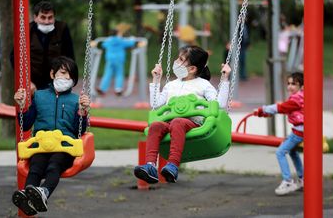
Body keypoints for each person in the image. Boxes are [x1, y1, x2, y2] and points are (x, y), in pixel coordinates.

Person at [133, 45, 231, 184]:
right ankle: (150, 167)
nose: (176, 62)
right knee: (155, 126)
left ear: (192, 69)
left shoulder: (203, 84)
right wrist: (156, 80)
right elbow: (155, 104)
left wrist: (225, 79)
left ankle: (172, 165)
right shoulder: (171, 85)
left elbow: (219, 104)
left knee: (178, 122)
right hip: (170, 122)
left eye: (181, 60)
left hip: (192, 123)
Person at [11, 56, 90, 216]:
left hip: (64, 147)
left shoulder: (76, 101)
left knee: (54, 166)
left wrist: (82, 112)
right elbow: (26, 124)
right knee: (35, 168)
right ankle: (28, 197)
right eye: (63, 73)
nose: (67, 78)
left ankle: (44, 192)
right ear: (52, 74)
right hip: (41, 144)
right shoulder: (39, 96)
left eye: (71, 76)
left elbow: (79, 131)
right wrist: (21, 107)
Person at [254, 72, 304, 196]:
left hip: (299, 132)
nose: (290, 86)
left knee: (280, 152)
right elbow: (284, 109)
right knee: (292, 151)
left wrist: (263, 109)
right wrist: (268, 112)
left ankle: (287, 181)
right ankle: (302, 179)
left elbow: (281, 108)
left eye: (294, 84)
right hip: (300, 130)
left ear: (302, 86)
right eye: (288, 83)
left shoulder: (297, 99)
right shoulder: (300, 97)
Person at [11, 1, 75, 92]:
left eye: (50, 18)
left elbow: (69, 57)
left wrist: (66, 80)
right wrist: (27, 82)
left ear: (54, 17)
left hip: (57, 80)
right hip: (33, 82)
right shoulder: (26, 30)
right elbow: (14, 58)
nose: (47, 21)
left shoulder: (62, 29)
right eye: (43, 17)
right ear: (35, 18)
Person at [94, 23, 145, 96]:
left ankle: (102, 88)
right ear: (118, 33)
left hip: (110, 59)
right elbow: (131, 43)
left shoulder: (109, 40)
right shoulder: (121, 40)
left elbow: (103, 45)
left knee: (107, 74)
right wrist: (133, 39)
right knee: (119, 74)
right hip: (118, 59)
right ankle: (118, 89)